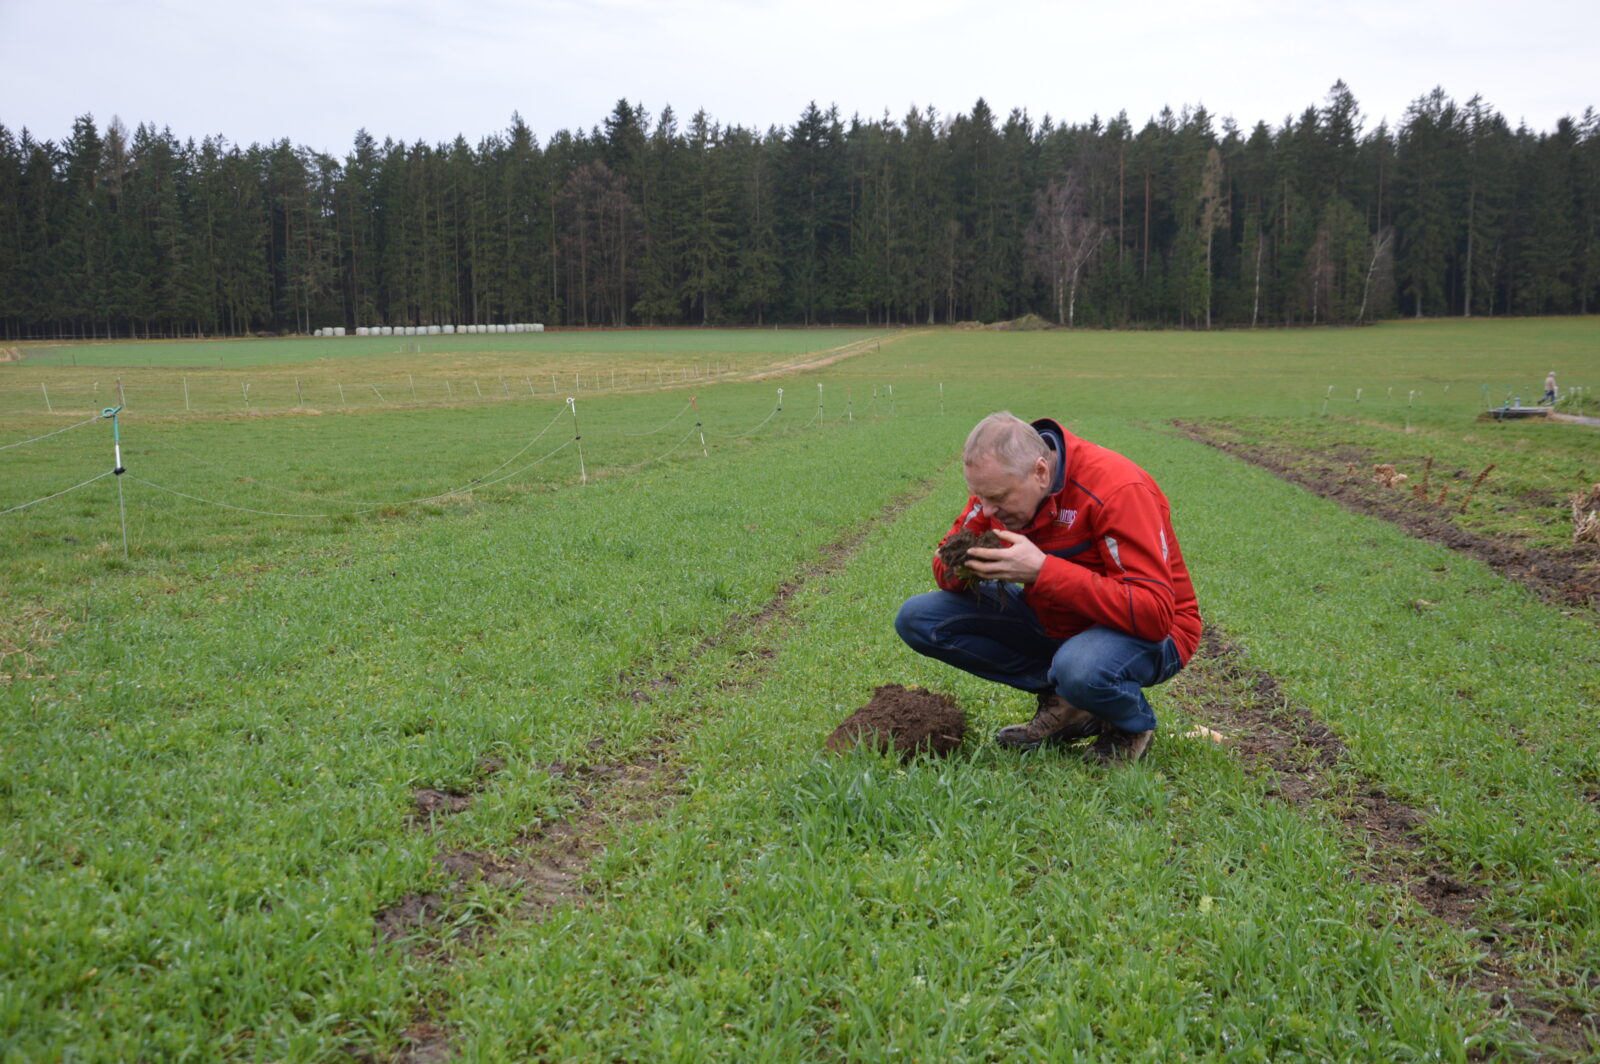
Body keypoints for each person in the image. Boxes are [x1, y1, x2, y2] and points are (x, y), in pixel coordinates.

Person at [895, 412, 1201, 763]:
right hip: (1056, 617)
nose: (987, 509)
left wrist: (1043, 572)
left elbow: (1154, 614)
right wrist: (962, 565)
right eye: (979, 497)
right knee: (920, 618)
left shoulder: (1117, 488)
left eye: (997, 498)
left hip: (1156, 634)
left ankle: (1128, 723)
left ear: (1041, 472)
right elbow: (945, 564)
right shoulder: (998, 487)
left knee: (1080, 668)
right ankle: (1074, 705)